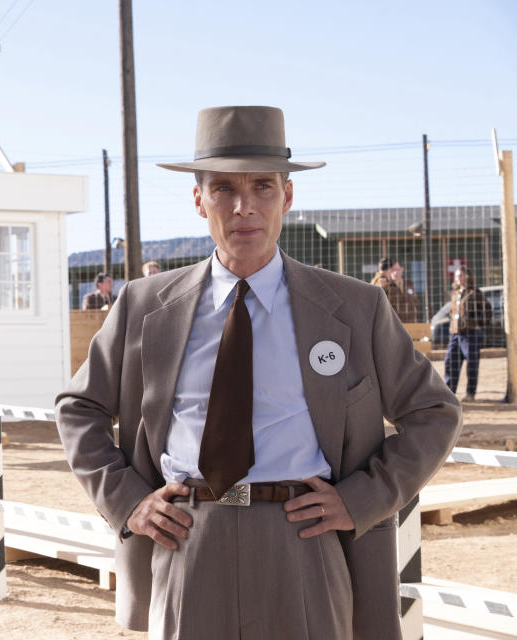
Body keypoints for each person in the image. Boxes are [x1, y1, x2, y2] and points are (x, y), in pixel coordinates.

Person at [55, 106, 461, 639]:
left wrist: (361, 498)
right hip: (186, 539)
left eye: (263, 187)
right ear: (198, 200)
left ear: (287, 198)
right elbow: (78, 408)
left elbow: (434, 412)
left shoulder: (354, 308)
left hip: (304, 543)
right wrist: (127, 500)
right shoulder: (144, 305)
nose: (244, 206)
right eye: (223, 188)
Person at [444, 266, 491, 402]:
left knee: (471, 364)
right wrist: (452, 322)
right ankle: (449, 393)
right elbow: (451, 312)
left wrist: (480, 324)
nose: (458, 278)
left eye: (461, 275)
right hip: (455, 334)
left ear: (467, 277)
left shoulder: (474, 293)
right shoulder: (455, 293)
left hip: (469, 335)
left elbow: (487, 310)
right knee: (450, 361)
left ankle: (470, 393)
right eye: (456, 276)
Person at [370, 257, 420, 322]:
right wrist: (381, 287)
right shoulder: (385, 284)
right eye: (392, 270)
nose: (395, 273)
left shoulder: (409, 284)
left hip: (412, 322)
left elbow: (416, 302)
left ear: (402, 269)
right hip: (394, 324)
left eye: (397, 269)